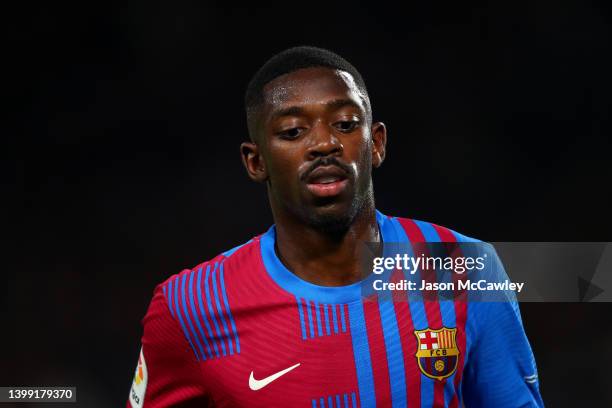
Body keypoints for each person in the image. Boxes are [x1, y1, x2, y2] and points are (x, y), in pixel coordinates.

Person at [127, 46, 544, 408]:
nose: (324, 143)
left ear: (376, 143)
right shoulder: (189, 307)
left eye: (345, 124)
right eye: (293, 130)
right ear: (256, 162)